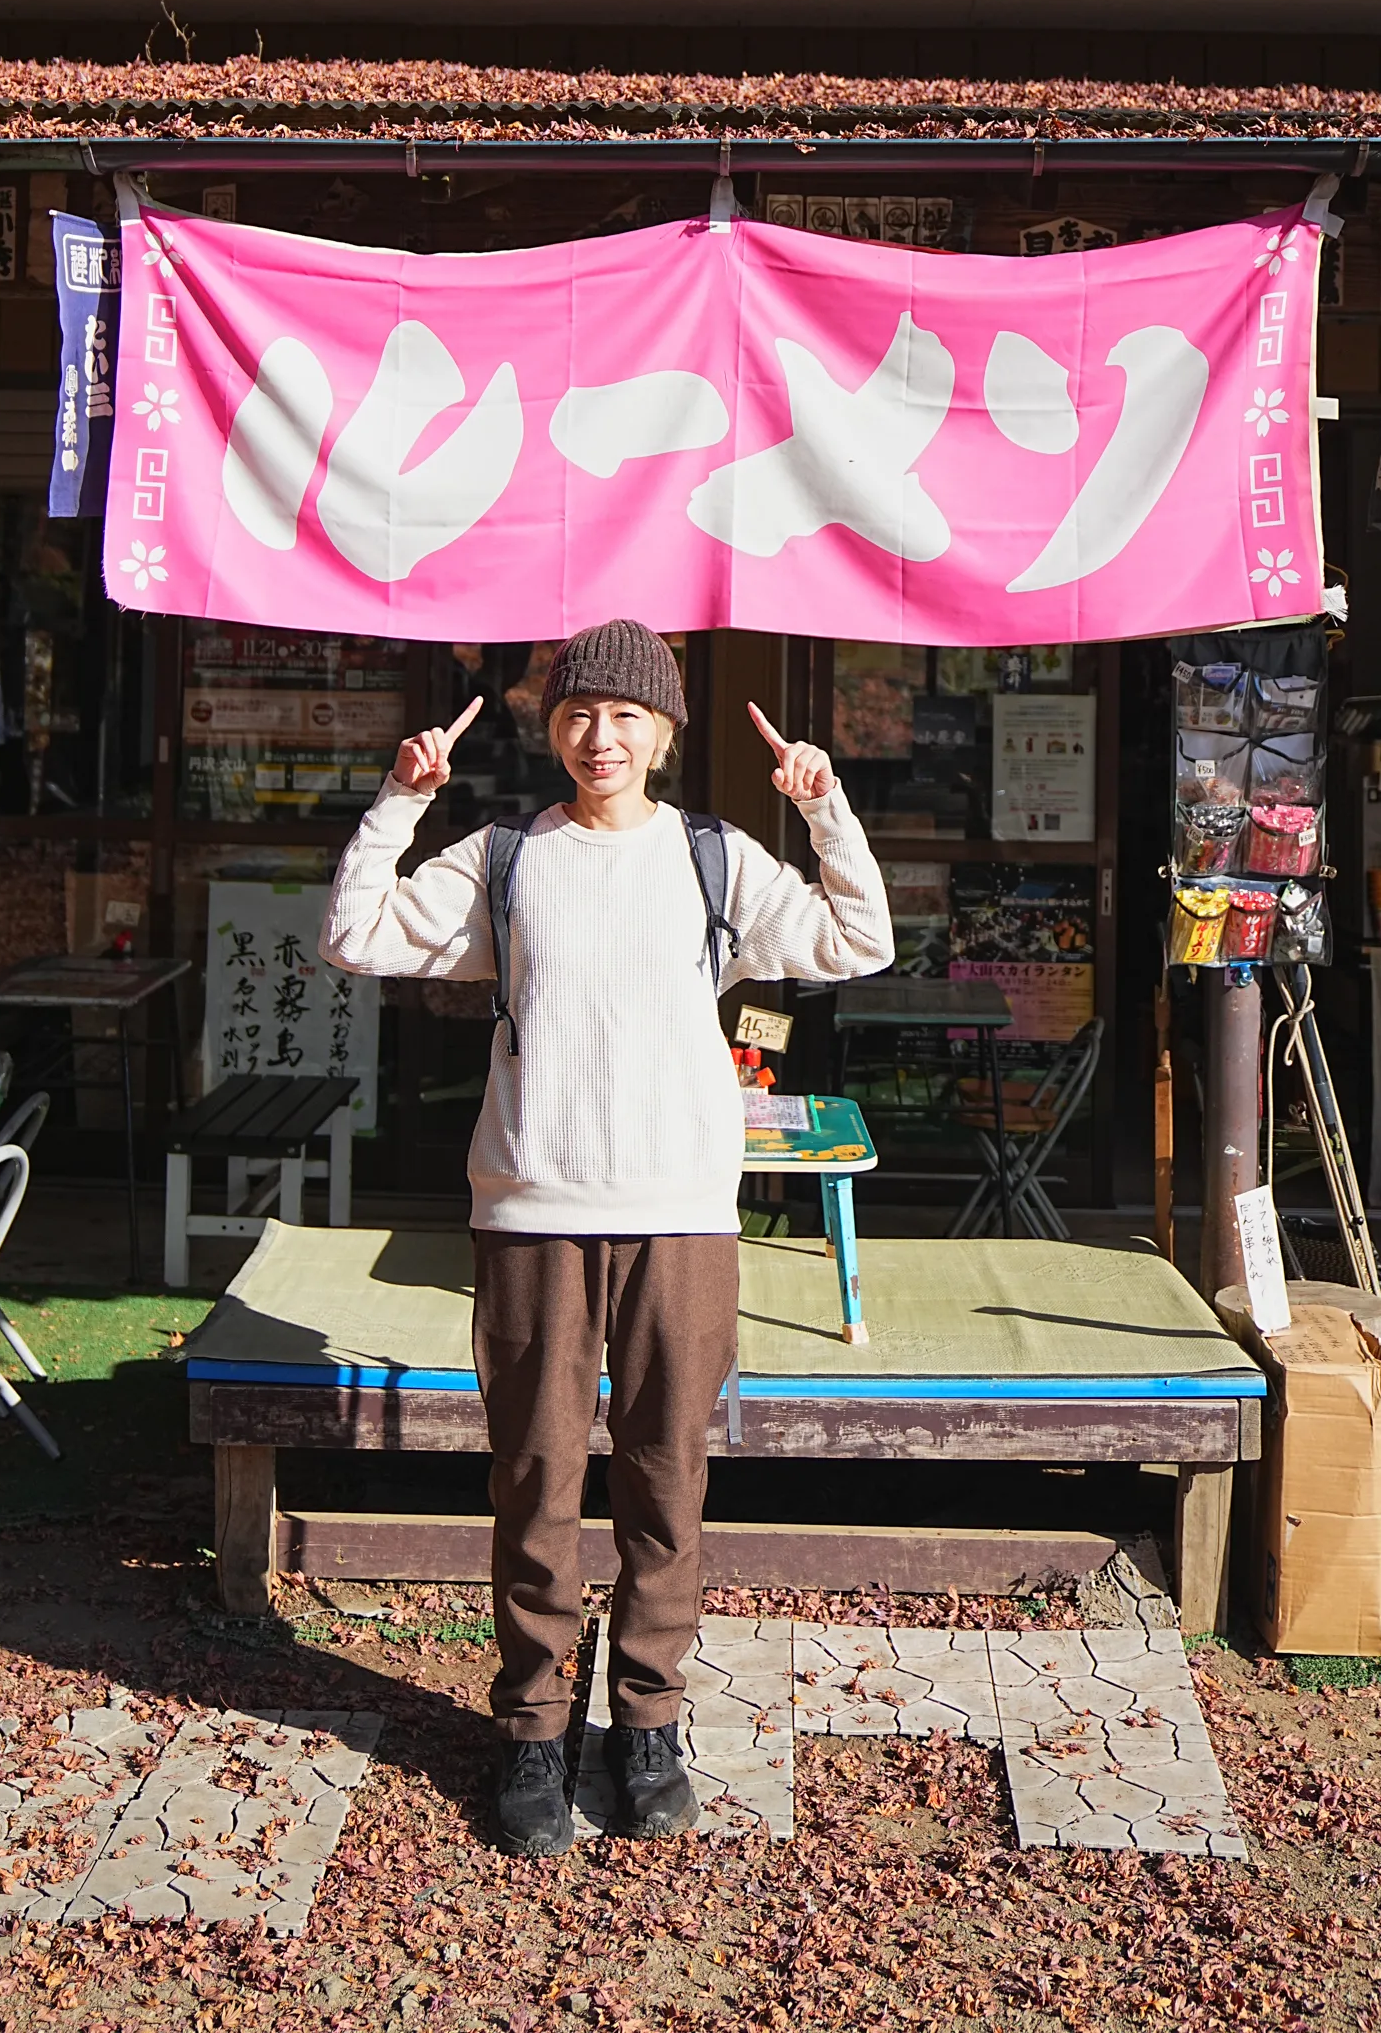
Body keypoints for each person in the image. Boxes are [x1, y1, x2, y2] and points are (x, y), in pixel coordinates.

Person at [320, 619, 892, 1855]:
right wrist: (395, 802)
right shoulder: (503, 860)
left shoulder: (712, 858)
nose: (601, 737)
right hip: (531, 1211)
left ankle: (646, 1720)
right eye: (581, 713)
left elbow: (858, 942)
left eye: (628, 716)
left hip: (680, 1210)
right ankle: (530, 1731)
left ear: (665, 734)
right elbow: (355, 936)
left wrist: (823, 811)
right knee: (532, 1480)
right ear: (551, 724)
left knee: (665, 1479)